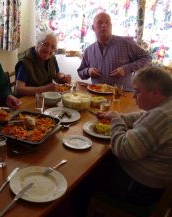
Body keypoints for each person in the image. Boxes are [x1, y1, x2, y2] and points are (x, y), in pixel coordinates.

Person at [72, 66, 172, 217]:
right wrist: (117, 116)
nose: (134, 96)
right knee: (99, 159)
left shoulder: (163, 116)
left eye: (137, 91)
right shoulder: (165, 106)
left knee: (81, 178)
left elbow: (124, 150)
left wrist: (116, 121)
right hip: (151, 179)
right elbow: (143, 117)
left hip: (138, 187)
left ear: (156, 92)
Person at [77, 12, 152, 91]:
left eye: (107, 22)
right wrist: (88, 71)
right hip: (97, 96)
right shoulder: (89, 50)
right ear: (93, 28)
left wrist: (126, 69)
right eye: (100, 22)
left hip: (122, 95)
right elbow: (80, 72)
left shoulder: (126, 43)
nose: (104, 25)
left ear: (111, 26)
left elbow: (147, 58)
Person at [14, 32, 71, 96]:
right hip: (28, 100)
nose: (49, 50)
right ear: (38, 44)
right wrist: (45, 89)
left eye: (53, 47)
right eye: (46, 45)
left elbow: (56, 75)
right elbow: (18, 90)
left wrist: (63, 78)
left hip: (46, 98)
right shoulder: (25, 62)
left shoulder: (52, 58)